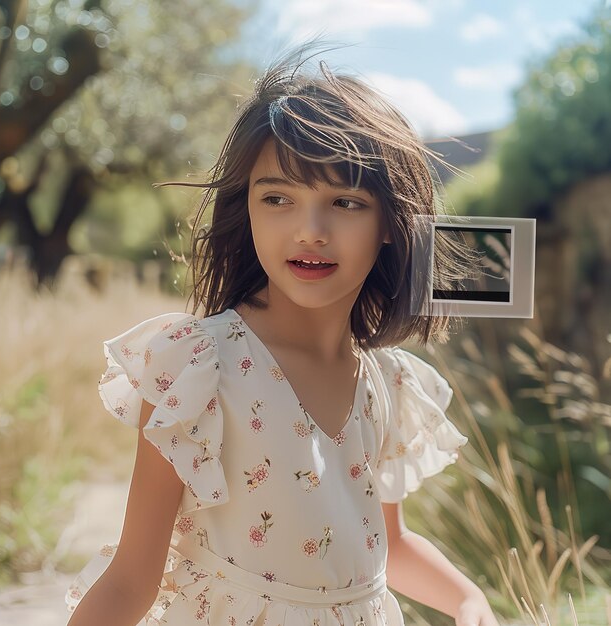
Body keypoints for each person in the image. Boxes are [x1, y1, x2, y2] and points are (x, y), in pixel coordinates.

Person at [66, 44, 500, 626]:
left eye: (345, 202)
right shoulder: (196, 366)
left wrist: (472, 603)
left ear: (393, 224)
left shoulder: (392, 382)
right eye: (277, 198)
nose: (309, 231)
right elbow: (130, 578)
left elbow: (387, 545)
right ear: (246, 209)